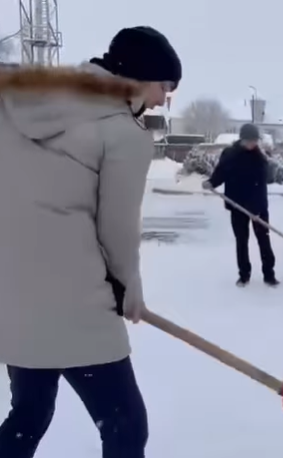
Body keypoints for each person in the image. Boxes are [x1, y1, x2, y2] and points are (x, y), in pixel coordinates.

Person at [0, 26, 181, 458]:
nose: (162, 99)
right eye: (164, 86)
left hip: (12, 297)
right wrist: (128, 290)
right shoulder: (122, 134)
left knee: (29, 412)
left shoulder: (18, 102)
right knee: (125, 425)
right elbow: (117, 230)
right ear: (137, 78)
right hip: (74, 302)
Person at [203, 124, 279, 287]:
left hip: (257, 206)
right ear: (242, 140)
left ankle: (269, 274)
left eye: (255, 141)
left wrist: (257, 211)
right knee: (241, 241)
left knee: (263, 240)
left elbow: (260, 186)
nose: (253, 144)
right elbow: (221, 173)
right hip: (237, 205)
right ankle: (244, 275)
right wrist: (211, 182)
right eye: (250, 141)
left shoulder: (259, 159)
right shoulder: (229, 155)